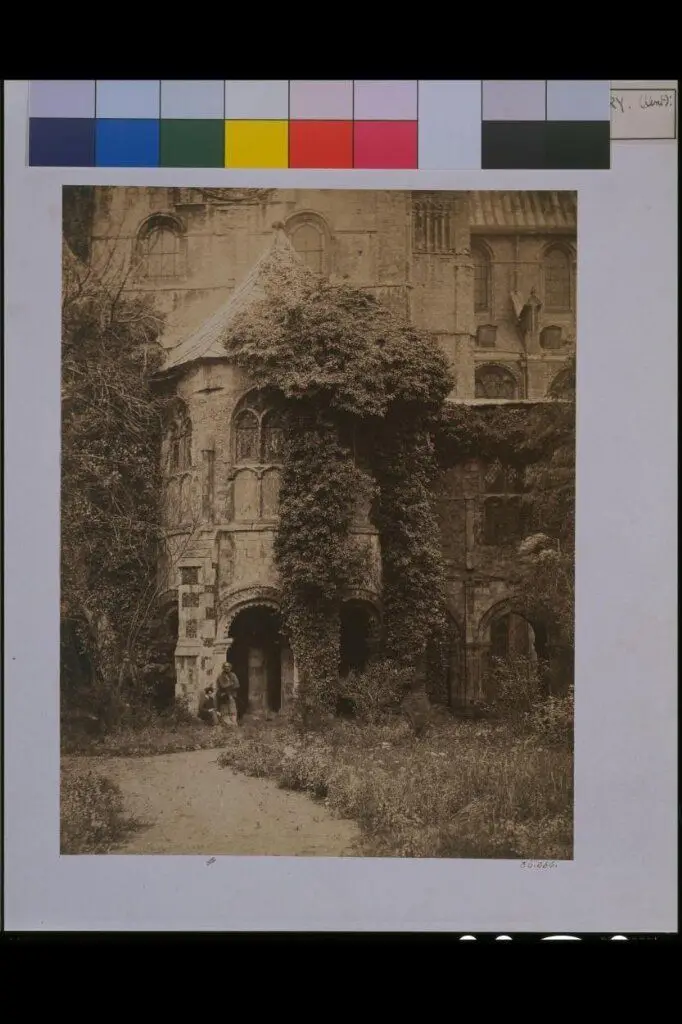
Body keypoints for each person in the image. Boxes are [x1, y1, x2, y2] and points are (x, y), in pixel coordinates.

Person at [216, 661, 240, 725]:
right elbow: (223, 685)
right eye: (225, 667)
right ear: (223, 668)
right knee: (225, 709)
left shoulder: (233, 675)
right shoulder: (221, 676)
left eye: (228, 666)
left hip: (232, 695)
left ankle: (234, 722)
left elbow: (237, 685)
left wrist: (229, 684)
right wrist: (231, 684)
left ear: (230, 667)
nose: (227, 668)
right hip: (224, 695)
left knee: (233, 709)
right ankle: (227, 722)